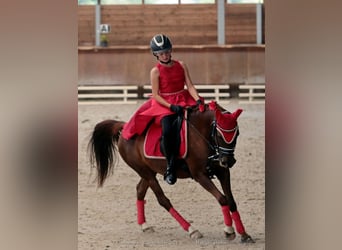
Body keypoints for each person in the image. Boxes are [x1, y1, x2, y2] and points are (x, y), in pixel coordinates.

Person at [122, 34, 203, 185]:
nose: (165, 55)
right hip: (164, 103)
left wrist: (197, 99)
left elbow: (190, 86)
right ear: (155, 54)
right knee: (167, 131)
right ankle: (171, 167)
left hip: (183, 98)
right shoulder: (155, 71)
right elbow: (155, 95)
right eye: (161, 53)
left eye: (166, 52)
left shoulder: (181, 65)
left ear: (171, 50)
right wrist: (171, 106)